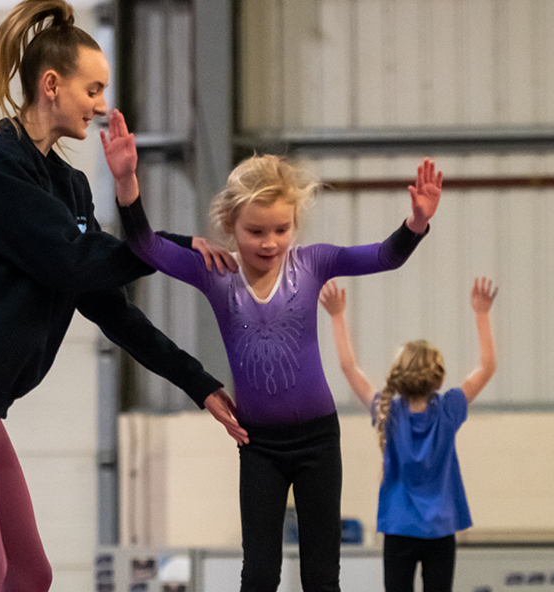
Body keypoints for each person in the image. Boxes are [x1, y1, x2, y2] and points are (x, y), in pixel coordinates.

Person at [0, 1, 245, 590]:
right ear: (51, 85)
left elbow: (110, 306)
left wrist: (198, 382)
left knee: (29, 573)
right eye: (93, 89)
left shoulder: (70, 187)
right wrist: (171, 246)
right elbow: (77, 260)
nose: (103, 105)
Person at [103, 108, 441, 592]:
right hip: (258, 445)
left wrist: (416, 222)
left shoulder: (313, 263)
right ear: (229, 225)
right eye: (255, 231)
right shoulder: (215, 272)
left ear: (295, 225)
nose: (269, 242)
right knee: (258, 575)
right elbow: (142, 245)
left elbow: (384, 257)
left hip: (319, 443)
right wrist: (126, 181)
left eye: (281, 230)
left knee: (321, 577)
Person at [319, 276, 497, 592]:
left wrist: (337, 316)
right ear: (438, 380)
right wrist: (481, 314)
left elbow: (349, 368)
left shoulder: (388, 412)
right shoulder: (449, 409)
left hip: (399, 528)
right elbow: (487, 367)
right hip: (440, 530)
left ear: (399, 376)